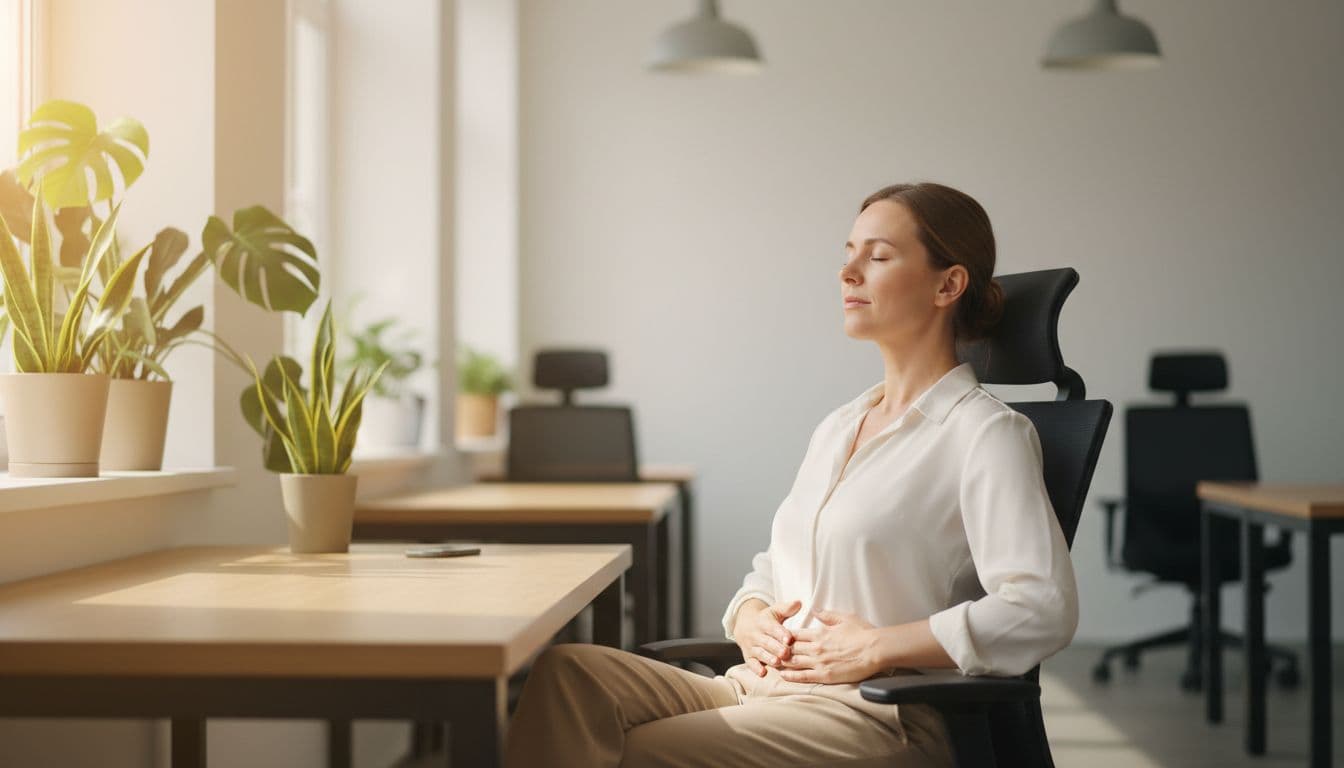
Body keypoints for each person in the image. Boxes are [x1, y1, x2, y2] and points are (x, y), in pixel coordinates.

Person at [502, 182, 1079, 767]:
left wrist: (876, 647)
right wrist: (751, 617)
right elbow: (776, 569)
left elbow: (1041, 607)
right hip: (761, 689)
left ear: (947, 285)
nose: (847, 272)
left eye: (877, 257)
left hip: (874, 713)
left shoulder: (984, 434)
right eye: (848, 253)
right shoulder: (840, 426)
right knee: (569, 673)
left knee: (633, 752)